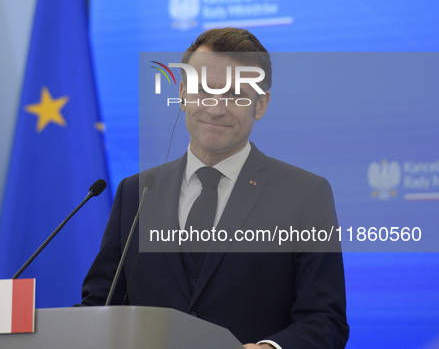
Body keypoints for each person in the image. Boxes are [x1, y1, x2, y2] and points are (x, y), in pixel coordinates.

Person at [81, 28, 349, 349]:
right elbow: (99, 307)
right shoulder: (136, 193)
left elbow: (325, 319)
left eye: (235, 94)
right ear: (182, 93)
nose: (215, 107)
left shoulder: (305, 194)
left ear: (260, 105)